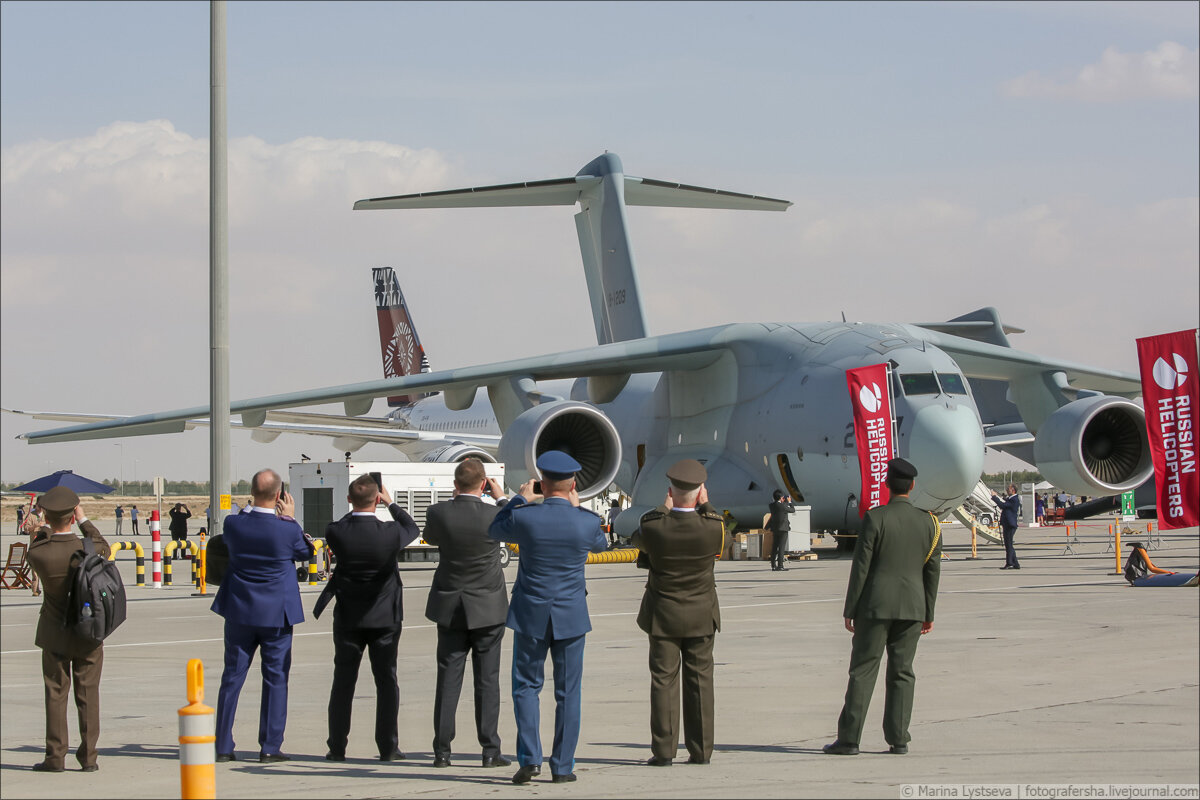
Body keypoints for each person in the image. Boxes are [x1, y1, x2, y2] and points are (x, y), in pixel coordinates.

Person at [487, 451, 608, 785]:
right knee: (568, 692)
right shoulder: (585, 520)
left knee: (526, 687)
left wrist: (517, 500)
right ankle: (563, 766)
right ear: (572, 484)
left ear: (543, 482)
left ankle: (529, 759)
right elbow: (601, 545)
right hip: (570, 615)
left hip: (531, 613)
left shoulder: (525, 517)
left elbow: (494, 530)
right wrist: (577, 507)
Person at [824, 457, 940, 757]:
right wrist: (928, 613)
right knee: (903, 673)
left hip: (874, 607)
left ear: (887, 484)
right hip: (913, 608)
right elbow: (932, 572)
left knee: (863, 671)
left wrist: (850, 608)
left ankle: (850, 739)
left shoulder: (875, 519)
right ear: (912, 486)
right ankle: (899, 738)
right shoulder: (930, 523)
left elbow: (861, 568)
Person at [314, 473, 420, 762]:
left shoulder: (336, 531)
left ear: (349, 500)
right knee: (386, 682)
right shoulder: (389, 533)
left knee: (343, 682)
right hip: (384, 618)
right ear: (377, 499)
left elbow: (340, 525)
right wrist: (391, 504)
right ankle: (388, 746)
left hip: (348, 618)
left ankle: (337, 747)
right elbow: (411, 527)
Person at [210, 469, 312, 763]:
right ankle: (269, 746)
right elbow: (305, 552)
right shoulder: (287, 529)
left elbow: (237, 526)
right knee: (276, 678)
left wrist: (250, 506)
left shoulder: (234, 524)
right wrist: (290, 518)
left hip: (240, 610)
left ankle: (223, 745)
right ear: (280, 496)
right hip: (276, 613)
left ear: (251, 493)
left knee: (232, 677)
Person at [631, 459, 725, 767]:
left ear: (670, 491)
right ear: (701, 493)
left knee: (663, 681)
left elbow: (639, 540)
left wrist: (663, 509)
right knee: (701, 682)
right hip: (701, 615)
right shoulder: (713, 526)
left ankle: (664, 751)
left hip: (664, 615)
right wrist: (706, 505)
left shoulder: (654, 525)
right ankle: (701, 751)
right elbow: (712, 518)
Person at [422, 459, 512, 769]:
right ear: (484, 483)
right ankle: (489, 750)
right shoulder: (496, 513)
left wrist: (454, 499)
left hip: (450, 605)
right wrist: (500, 496)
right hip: (487, 606)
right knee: (487, 681)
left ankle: (442, 751)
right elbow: (519, 521)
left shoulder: (438, 512)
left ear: (456, 484)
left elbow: (431, 539)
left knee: (448, 679)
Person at [24, 486, 111, 772]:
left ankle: (55, 756)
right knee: (89, 695)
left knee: (55, 694)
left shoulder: (40, 553)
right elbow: (103, 544)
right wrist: (85, 520)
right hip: (88, 632)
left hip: (54, 633)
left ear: (47, 516)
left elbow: (37, 540)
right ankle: (88, 758)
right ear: (73, 516)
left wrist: (44, 525)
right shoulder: (89, 548)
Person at [991, 484, 1022, 570]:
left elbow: (1003, 505)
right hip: (1007, 524)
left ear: (1013, 490)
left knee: (1008, 545)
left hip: (1010, 524)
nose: (1007, 491)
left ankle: (1009, 563)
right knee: (1009, 545)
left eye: (1008, 489)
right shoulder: (1011, 499)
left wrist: (994, 497)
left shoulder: (1014, 499)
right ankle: (1015, 563)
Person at [766, 490, 795, 571]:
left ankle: (773, 565)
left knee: (774, 547)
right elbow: (792, 510)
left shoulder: (771, 505)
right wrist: (789, 502)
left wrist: (783, 501)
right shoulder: (783, 506)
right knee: (781, 548)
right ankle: (780, 566)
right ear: (781, 498)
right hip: (783, 529)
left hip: (775, 529)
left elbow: (778, 505)